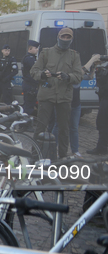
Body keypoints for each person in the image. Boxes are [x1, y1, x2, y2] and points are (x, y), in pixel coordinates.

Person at [30, 27, 83, 160]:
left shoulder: (74, 55)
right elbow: (33, 72)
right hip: (46, 95)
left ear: (71, 39)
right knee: (41, 127)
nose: (65, 39)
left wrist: (68, 77)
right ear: (58, 37)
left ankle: (63, 156)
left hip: (64, 96)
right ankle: (35, 155)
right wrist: (42, 74)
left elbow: (78, 75)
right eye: (63, 37)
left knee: (64, 129)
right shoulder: (46, 53)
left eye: (68, 37)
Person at [86, 54, 108, 155]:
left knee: (103, 123)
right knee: (102, 123)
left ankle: (102, 147)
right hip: (104, 97)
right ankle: (101, 147)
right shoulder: (104, 66)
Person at [21, 40, 40, 115]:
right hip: (30, 85)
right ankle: (25, 124)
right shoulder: (30, 59)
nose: (37, 49)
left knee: (28, 104)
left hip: (29, 84)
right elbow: (35, 70)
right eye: (36, 48)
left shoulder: (29, 57)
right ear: (30, 49)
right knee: (29, 106)